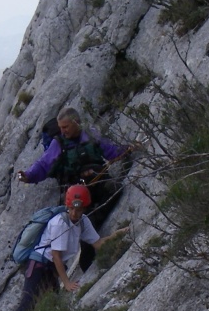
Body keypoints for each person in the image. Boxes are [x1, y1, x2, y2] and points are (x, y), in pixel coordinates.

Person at [17, 107, 129, 267]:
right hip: (76, 194)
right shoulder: (59, 143)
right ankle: (87, 261)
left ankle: (94, 221)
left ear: (76, 122)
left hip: (97, 184)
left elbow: (110, 150)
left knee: (115, 188)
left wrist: (127, 149)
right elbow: (44, 165)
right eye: (60, 127)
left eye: (65, 127)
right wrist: (28, 176)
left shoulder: (91, 134)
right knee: (85, 219)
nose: (62, 131)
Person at [6, 184, 127, 311]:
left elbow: (98, 243)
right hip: (39, 264)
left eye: (79, 209)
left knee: (51, 305)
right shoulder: (59, 223)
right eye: (72, 208)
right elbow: (56, 255)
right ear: (67, 205)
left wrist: (117, 235)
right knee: (27, 303)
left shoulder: (83, 221)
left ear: (85, 208)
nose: (75, 213)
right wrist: (67, 282)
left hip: (51, 268)